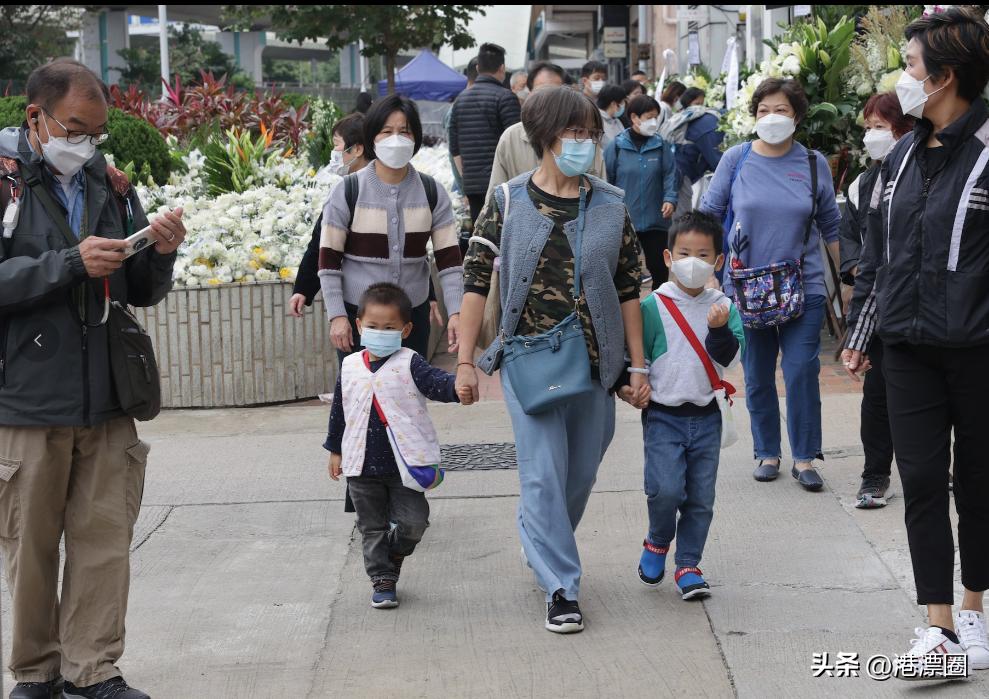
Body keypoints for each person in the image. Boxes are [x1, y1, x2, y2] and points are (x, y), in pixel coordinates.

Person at [0, 59, 186, 699]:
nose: (85, 143)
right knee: (29, 550)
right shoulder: (4, 186)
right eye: (74, 128)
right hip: (27, 398)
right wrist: (67, 264)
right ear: (37, 117)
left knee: (103, 541)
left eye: (95, 131)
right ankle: (36, 672)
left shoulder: (110, 185)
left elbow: (139, 290)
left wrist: (158, 253)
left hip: (108, 395)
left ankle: (94, 669)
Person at [456, 86, 650, 634]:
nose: (584, 143)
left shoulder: (611, 203)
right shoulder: (508, 201)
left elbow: (631, 285)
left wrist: (638, 366)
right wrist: (466, 361)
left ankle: (538, 537)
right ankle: (562, 586)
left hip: (596, 362)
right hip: (528, 359)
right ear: (543, 137)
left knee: (580, 474)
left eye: (591, 133)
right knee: (543, 475)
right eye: (574, 133)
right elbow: (476, 281)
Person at [843, 7, 989, 678]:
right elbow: (878, 253)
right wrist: (862, 332)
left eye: (908, 67)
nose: (900, 78)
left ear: (945, 76)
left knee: (978, 482)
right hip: (905, 346)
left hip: (977, 347)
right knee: (923, 478)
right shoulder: (898, 157)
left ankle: (973, 606)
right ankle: (936, 626)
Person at [699, 78, 841, 492]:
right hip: (746, 287)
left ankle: (804, 456)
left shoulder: (814, 164)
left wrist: (847, 280)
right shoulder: (736, 159)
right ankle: (767, 451)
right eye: (763, 110)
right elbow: (709, 215)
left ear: (796, 116)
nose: (771, 118)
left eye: (780, 110)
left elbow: (830, 224)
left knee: (801, 370)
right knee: (758, 374)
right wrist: (707, 274)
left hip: (804, 283)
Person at [326, 283, 460, 609]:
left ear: (406, 329)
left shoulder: (409, 362)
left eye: (389, 328)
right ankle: (382, 579)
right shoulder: (350, 366)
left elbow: (436, 383)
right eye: (373, 326)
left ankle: (396, 550)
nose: (380, 333)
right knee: (370, 528)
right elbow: (340, 409)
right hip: (361, 466)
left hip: (404, 464)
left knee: (415, 522)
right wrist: (335, 449)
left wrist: (459, 386)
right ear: (359, 326)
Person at [637, 211, 743, 600]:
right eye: (685, 252)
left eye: (703, 254)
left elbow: (731, 359)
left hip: (707, 416)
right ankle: (658, 539)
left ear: (717, 261)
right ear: (668, 257)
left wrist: (717, 330)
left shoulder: (725, 307)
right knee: (664, 490)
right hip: (664, 415)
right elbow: (641, 357)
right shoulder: (653, 306)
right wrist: (637, 385)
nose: (693, 262)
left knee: (700, 497)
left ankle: (688, 565)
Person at [318, 94, 463, 364]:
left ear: (415, 138)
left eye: (404, 132)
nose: (396, 139)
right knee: (360, 398)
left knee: (408, 397)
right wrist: (337, 315)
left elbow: (450, 262)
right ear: (372, 137)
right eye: (387, 131)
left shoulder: (432, 192)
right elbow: (328, 261)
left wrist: (456, 311)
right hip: (359, 316)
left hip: (412, 317)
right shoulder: (348, 191)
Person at [837, 92, 913, 510]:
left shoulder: (919, 174)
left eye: (880, 127)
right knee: (878, 397)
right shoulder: (863, 183)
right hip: (878, 302)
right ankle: (875, 475)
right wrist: (853, 268)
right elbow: (854, 239)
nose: (872, 137)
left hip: (915, 304)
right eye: (867, 128)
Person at [290, 113, 369, 317]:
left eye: (337, 144)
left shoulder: (377, 188)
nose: (334, 152)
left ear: (357, 149)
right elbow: (321, 243)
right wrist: (303, 289)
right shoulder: (343, 190)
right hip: (354, 300)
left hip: (372, 300)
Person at [487, 62, 606, 193]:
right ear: (530, 93)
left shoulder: (586, 139)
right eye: (541, 92)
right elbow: (495, 193)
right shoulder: (511, 137)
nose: (548, 100)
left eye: (555, 93)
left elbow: (602, 193)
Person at [604, 95, 678, 289]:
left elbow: (670, 175)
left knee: (659, 269)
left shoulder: (661, 145)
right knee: (626, 271)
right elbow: (607, 180)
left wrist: (670, 198)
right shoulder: (617, 146)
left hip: (656, 219)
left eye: (656, 117)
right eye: (649, 117)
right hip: (626, 220)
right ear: (634, 117)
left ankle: (659, 308)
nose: (653, 122)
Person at [448, 43, 521, 226]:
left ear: (478, 68)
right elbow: (517, 143)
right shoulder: (506, 98)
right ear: (502, 68)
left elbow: (454, 149)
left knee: (481, 235)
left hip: (472, 185)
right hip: (503, 185)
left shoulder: (459, 101)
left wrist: (466, 181)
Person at [666, 87, 724, 213]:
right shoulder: (707, 123)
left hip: (673, 172)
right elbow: (718, 161)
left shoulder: (683, 116)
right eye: (698, 103)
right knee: (681, 216)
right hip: (680, 176)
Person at [446, 57, 478, 200]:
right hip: (469, 188)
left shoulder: (465, 105)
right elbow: (454, 154)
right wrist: (465, 190)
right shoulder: (459, 108)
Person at [597, 84, 628, 148]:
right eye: (622, 102)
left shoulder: (616, 120)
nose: (624, 105)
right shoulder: (596, 121)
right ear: (614, 104)